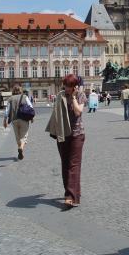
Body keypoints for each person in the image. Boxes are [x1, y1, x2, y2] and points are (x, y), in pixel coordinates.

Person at [45, 74, 86, 208]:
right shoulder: (60, 96)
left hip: (77, 134)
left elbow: (78, 111)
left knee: (74, 164)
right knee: (65, 163)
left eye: (69, 86)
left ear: (74, 86)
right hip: (62, 134)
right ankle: (72, 193)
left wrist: (73, 97)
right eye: (65, 86)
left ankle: (70, 196)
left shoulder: (80, 95)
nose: (66, 88)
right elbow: (56, 114)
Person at [3, 85, 34, 160]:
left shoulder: (10, 98)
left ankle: (20, 150)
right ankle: (21, 148)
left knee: (18, 137)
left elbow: (7, 110)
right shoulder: (24, 97)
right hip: (24, 119)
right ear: (21, 90)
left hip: (14, 120)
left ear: (13, 91)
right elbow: (31, 107)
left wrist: (5, 120)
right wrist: (32, 117)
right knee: (24, 136)